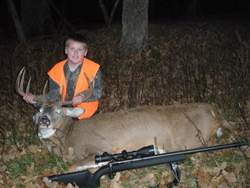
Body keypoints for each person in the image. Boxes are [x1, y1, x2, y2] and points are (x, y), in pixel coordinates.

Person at [23, 33, 103, 119]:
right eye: (72, 48)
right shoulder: (56, 70)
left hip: (86, 111)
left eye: (80, 49)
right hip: (62, 110)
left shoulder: (93, 69)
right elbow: (55, 94)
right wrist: (36, 99)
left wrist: (82, 96)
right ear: (66, 50)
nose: (76, 52)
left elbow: (97, 91)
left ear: (85, 52)